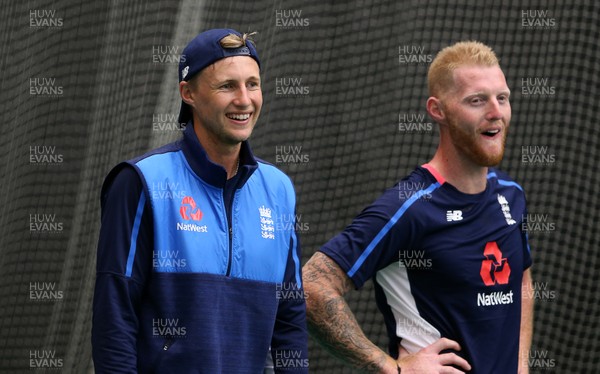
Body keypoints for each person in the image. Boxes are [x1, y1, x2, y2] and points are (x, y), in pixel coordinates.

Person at [303, 41, 533, 373]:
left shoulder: (511, 195)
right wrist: (391, 367)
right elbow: (311, 286)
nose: (496, 112)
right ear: (437, 110)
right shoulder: (410, 206)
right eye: (477, 101)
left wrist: (521, 365)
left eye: (502, 97)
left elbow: (522, 279)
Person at [92, 28, 308, 373]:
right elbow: (114, 316)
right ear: (188, 93)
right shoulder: (140, 181)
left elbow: (290, 320)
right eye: (227, 86)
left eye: (252, 84)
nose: (244, 99)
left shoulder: (279, 189)